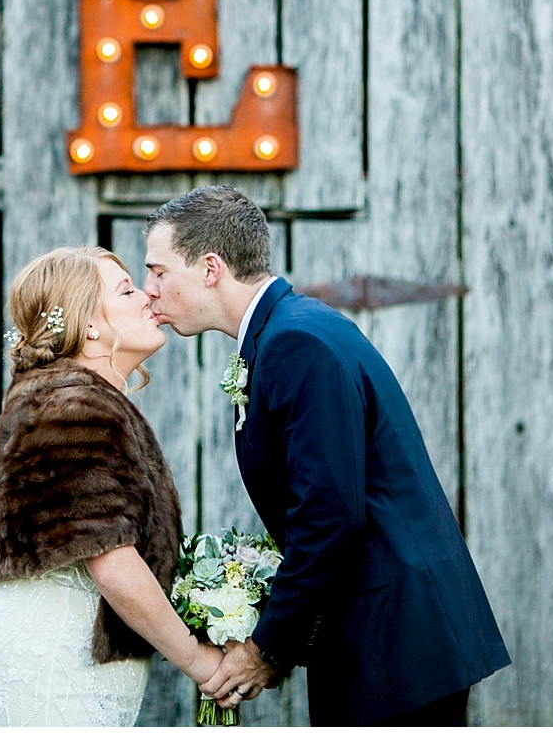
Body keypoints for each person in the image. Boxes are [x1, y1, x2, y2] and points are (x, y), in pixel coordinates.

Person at [143, 186, 510, 726]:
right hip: (383, 633)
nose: (149, 291)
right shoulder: (287, 330)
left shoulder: (296, 343)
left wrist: (265, 648)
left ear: (210, 268)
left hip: (393, 638)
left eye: (158, 271)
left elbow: (329, 514)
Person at [0, 246, 231, 725]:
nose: (146, 297)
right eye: (125, 290)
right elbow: (114, 563)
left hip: (59, 670)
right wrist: (199, 661)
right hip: (50, 675)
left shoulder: (64, 399)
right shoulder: (75, 406)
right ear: (88, 326)